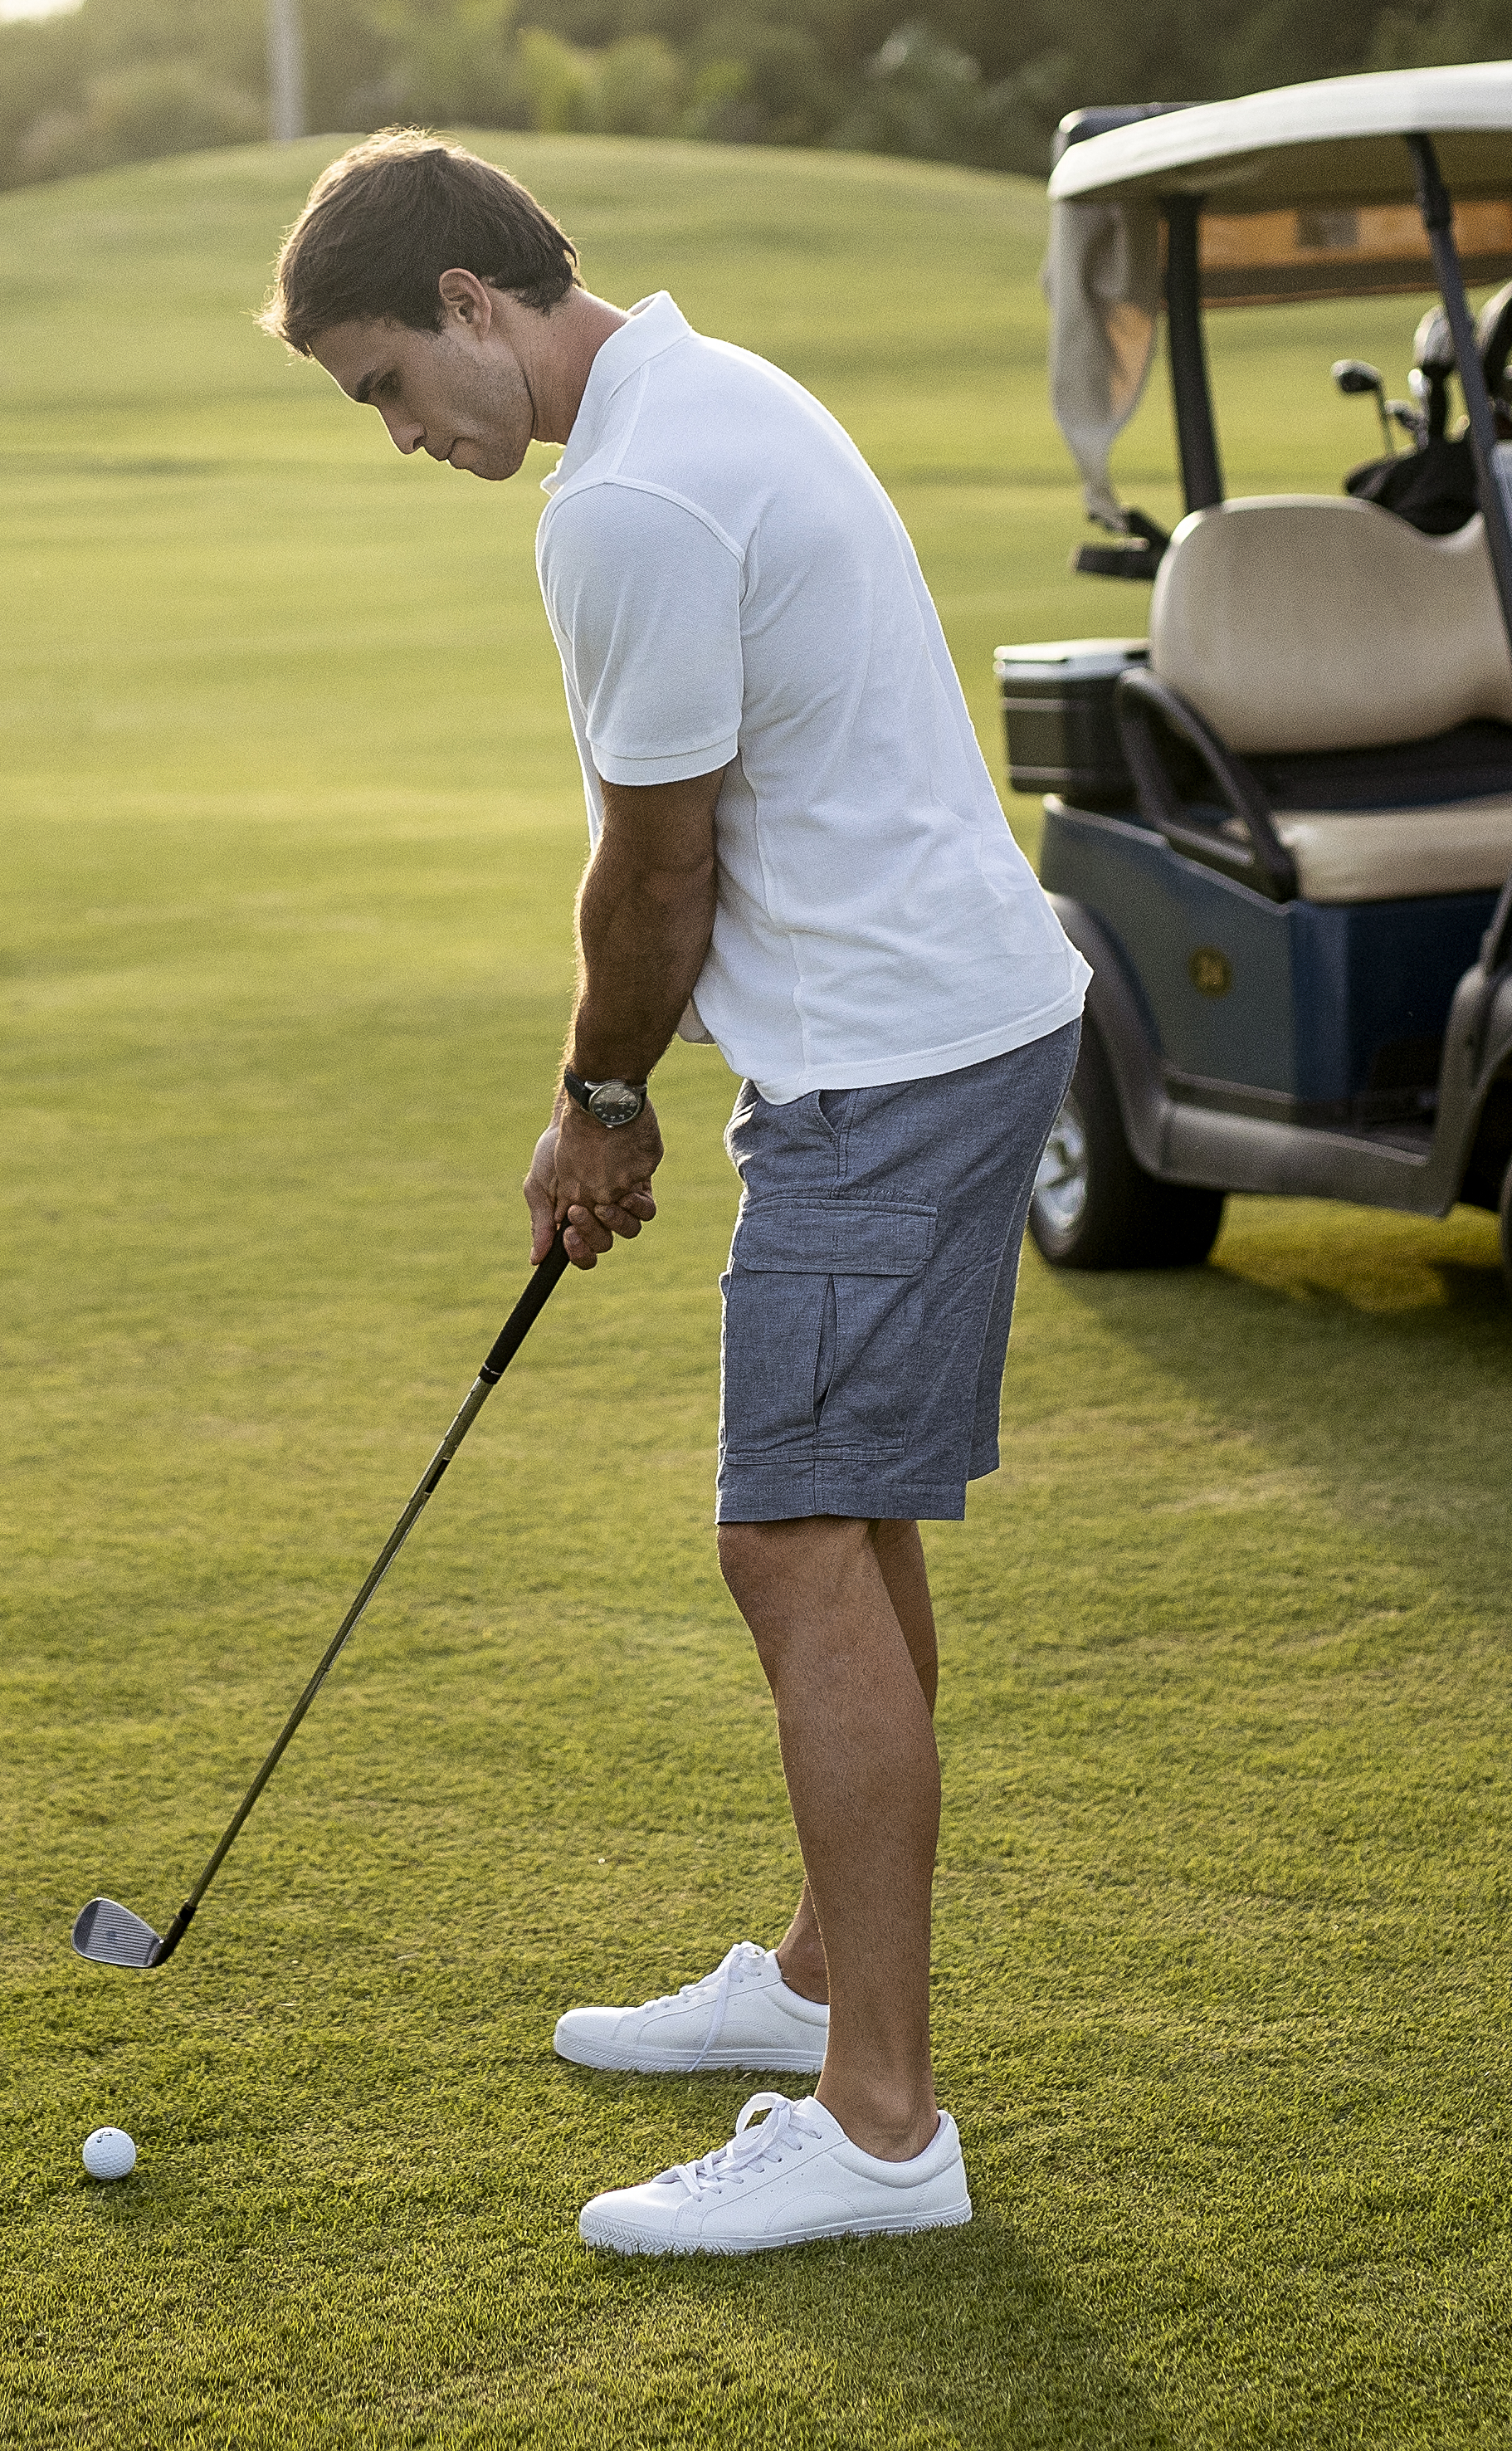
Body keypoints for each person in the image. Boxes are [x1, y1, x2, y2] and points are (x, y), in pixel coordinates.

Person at [264, 133, 1085, 2257]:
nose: (399, 439)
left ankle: (880, 2124)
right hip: (932, 1019)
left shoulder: (624, 494)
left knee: (788, 1535)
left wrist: (596, 1100)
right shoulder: (702, 389)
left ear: (469, 301)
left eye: (381, 386)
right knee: (849, 1512)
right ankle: (823, 1971)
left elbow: (654, 869)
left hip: (889, 1051)